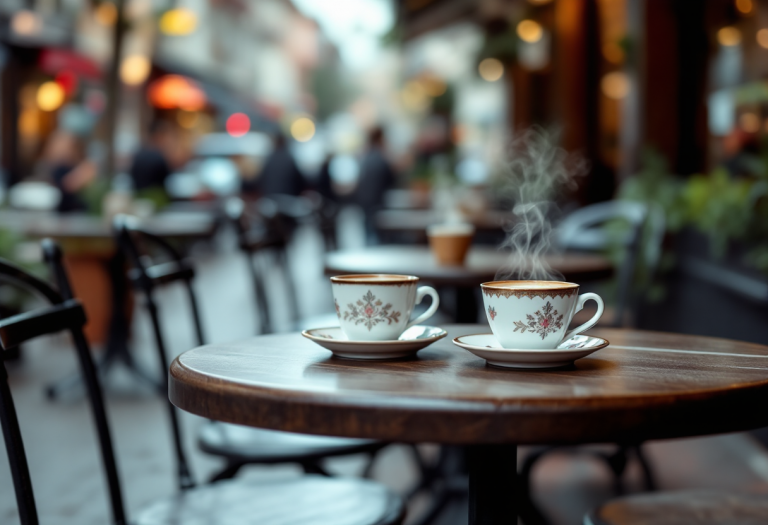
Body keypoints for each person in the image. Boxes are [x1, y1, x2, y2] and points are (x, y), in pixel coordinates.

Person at [352, 127, 396, 244]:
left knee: (368, 232)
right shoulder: (381, 157)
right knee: (380, 234)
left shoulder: (364, 156)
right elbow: (391, 180)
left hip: (364, 200)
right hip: (377, 201)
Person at [43, 130, 96, 213]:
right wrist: (83, 172)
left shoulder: (74, 164)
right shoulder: (58, 167)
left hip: (78, 212)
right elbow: (66, 185)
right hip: (64, 213)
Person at [129, 120, 178, 192]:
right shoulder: (158, 156)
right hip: (157, 198)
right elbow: (167, 177)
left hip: (139, 196)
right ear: (158, 135)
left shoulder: (139, 153)